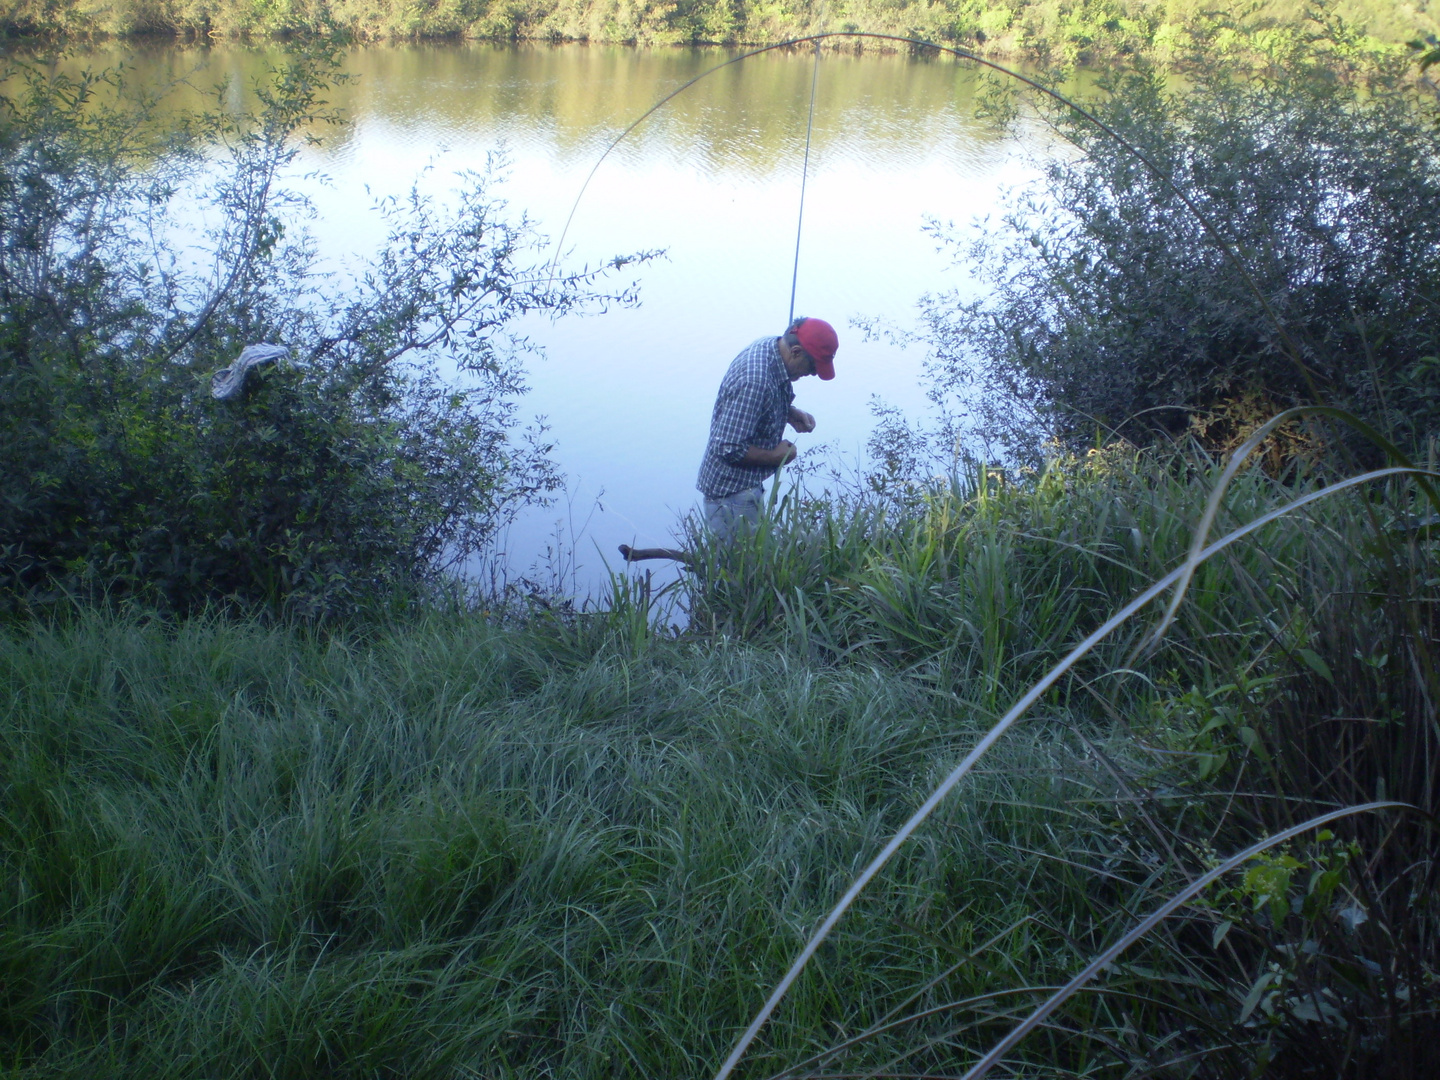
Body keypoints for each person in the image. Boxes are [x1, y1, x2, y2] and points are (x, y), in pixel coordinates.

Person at [696, 316, 838, 540]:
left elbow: (759, 400)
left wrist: (789, 412)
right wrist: (777, 456)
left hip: (744, 487)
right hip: (730, 495)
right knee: (742, 568)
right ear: (797, 352)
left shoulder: (771, 346)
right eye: (813, 366)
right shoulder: (755, 380)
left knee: (756, 559)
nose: (813, 374)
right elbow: (727, 447)